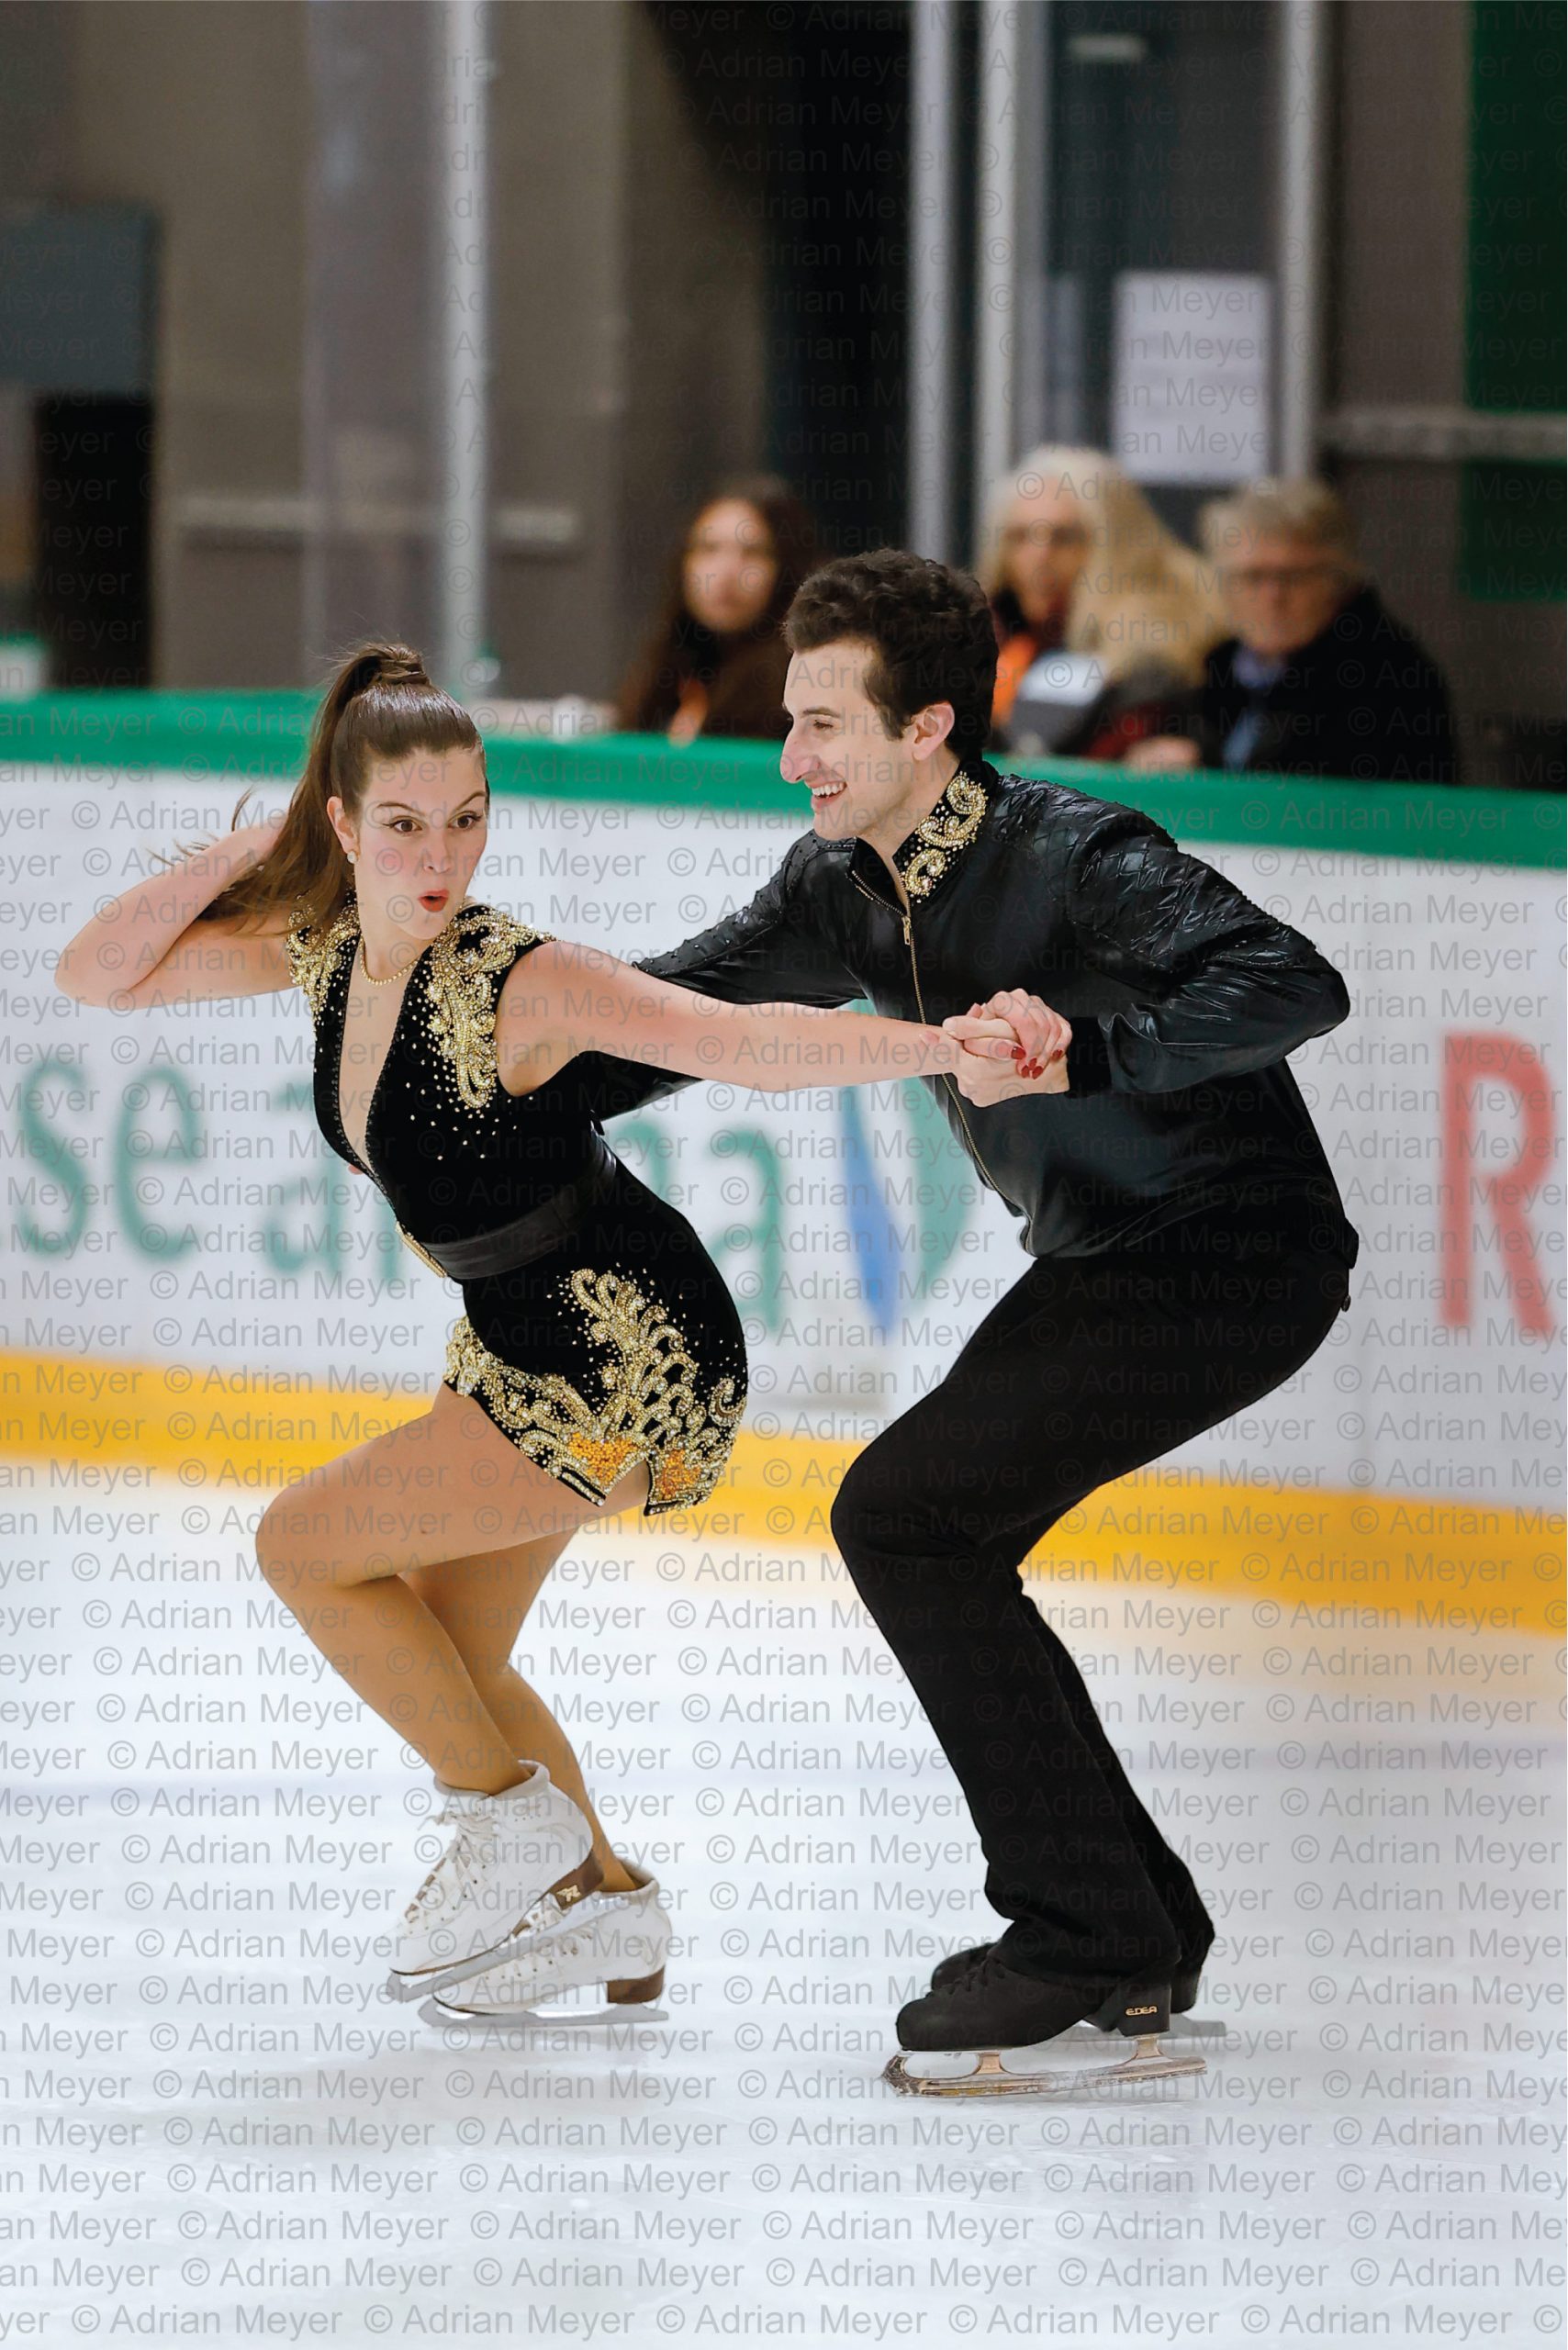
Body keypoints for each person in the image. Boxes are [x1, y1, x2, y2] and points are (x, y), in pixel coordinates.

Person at [55, 639, 1020, 2021]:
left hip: (630, 1345)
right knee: (453, 1651)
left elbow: (740, 1040)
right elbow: (99, 973)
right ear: (342, 822)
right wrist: (241, 850)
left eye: (466, 818)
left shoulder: (523, 977)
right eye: (399, 824)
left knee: (300, 1546)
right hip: (517, 1342)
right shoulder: (323, 950)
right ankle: (609, 1912)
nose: (439, 856)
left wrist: (945, 1047)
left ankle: (507, 1822)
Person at [578, 548, 1363, 2094]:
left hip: (1232, 1249)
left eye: (822, 725)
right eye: (791, 721)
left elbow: (1291, 980)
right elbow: (689, 1021)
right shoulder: (840, 883)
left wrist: (1089, 1050)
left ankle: (1079, 1931)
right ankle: (1127, 1924)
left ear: (927, 727)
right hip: (1102, 1258)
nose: (789, 755)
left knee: (904, 1517)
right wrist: (486, 1072)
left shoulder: (1075, 853)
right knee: (929, 1528)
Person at [1125, 476, 1460, 784]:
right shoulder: (1219, 665)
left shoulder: (1389, 678)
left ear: (1338, 580)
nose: (1273, 597)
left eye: (1293, 577)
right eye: (1252, 577)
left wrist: (1206, 767)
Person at [974, 444, 1227, 763]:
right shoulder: (1001, 640)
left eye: (1064, 537)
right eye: (1020, 536)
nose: (1039, 557)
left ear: (1115, 545)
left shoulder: (1157, 658)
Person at [615, 476, 819, 745]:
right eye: (709, 548)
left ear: (787, 569)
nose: (726, 573)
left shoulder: (805, 688)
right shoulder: (665, 671)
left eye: (753, 552)